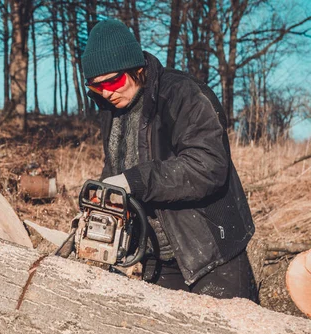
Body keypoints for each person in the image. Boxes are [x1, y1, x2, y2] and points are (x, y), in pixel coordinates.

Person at [80, 18, 257, 300]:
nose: (107, 92)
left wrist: (133, 181)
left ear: (136, 68)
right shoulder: (110, 110)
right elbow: (115, 166)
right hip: (156, 256)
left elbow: (207, 165)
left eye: (113, 81)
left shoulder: (182, 94)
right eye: (96, 87)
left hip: (211, 251)